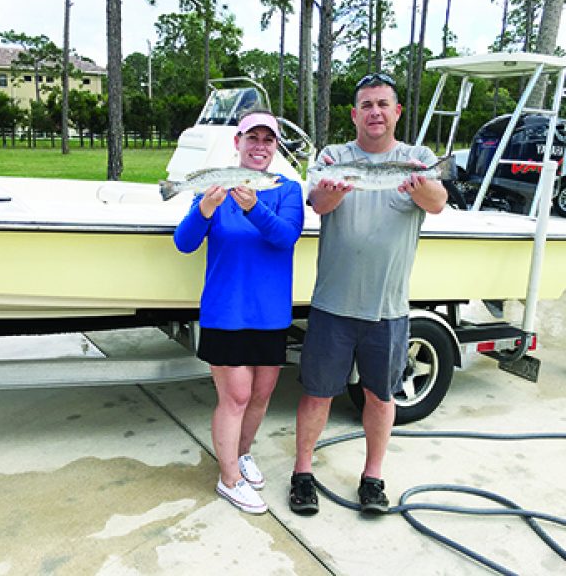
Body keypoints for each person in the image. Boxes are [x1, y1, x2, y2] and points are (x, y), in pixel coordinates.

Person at [289, 73, 447, 516]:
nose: (375, 112)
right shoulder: (333, 156)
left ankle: (373, 478)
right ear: (355, 114)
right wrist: (333, 193)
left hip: (390, 309)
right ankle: (303, 472)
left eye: (383, 104)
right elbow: (318, 202)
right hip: (332, 306)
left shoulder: (417, 158)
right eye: (367, 105)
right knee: (317, 393)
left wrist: (423, 183)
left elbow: (437, 202)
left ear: (396, 112)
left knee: (381, 396)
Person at [174, 109, 304, 514]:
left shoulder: (287, 189)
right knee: (236, 396)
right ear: (238, 143)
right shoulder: (215, 186)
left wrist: (253, 208)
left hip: (271, 314)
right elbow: (184, 242)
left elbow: (285, 237)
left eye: (268, 139)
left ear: (276, 146)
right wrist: (205, 210)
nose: (260, 146)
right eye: (253, 138)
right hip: (225, 311)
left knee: (262, 395)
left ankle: (242, 453)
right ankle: (229, 478)